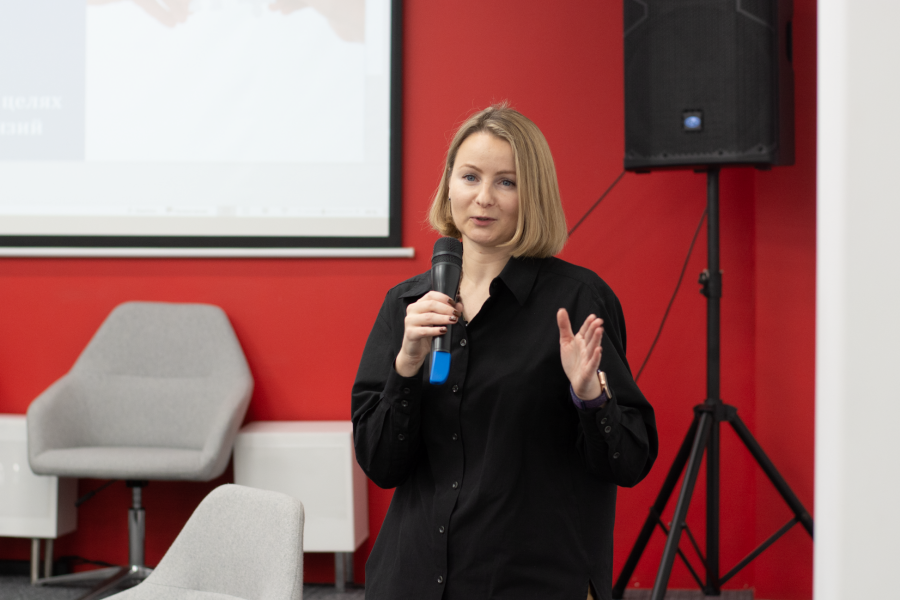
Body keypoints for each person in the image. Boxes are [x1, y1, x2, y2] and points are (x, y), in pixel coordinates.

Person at [351, 104, 658, 600]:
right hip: (412, 579)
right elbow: (381, 465)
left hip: (528, 580)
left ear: (532, 193)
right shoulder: (407, 304)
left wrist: (590, 398)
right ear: (449, 185)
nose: (483, 198)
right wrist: (405, 366)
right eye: (470, 177)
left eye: (506, 183)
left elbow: (629, 462)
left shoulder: (578, 300)